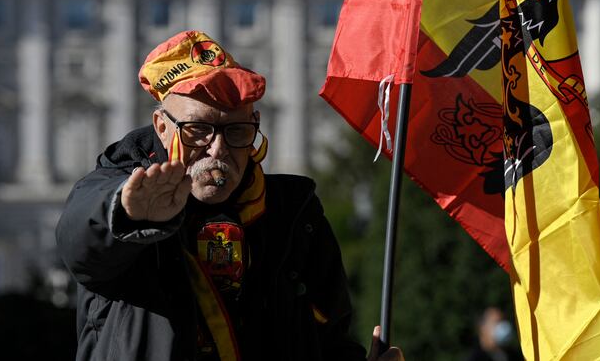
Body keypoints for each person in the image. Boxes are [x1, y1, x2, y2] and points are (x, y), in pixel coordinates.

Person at [56, 30, 403, 361]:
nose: (217, 148)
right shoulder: (123, 188)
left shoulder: (294, 214)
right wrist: (127, 215)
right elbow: (80, 241)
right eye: (198, 129)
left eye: (236, 130)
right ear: (162, 127)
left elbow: (326, 339)